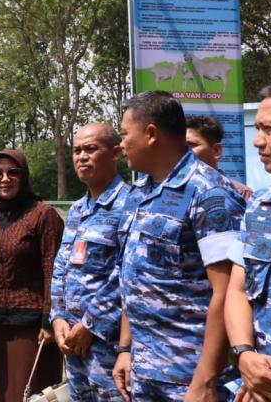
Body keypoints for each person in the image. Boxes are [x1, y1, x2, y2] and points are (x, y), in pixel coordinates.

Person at [111, 91, 245, 401]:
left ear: (151, 134)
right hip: (145, 374)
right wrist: (125, 348)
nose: (121, 145)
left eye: (124, 135)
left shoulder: (209, 193)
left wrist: (206, 380)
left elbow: (226, 293)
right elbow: (136, 277)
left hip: (189, 378)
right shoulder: (140, 192)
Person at [49, 123, 129, 401]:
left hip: (108, 344)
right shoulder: (77, 209)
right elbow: (61, 266)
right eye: (76, 150)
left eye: (91, 149)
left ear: (116, 153)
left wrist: (90, 325)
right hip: (72, 342)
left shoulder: (130, 205)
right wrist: (57, 317)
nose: (82, 156)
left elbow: (127, 274)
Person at [0, 149, 64, 402]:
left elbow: (54, 269)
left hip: (35, 327)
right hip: (1, 326)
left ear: (24, 175)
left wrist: (49, 321)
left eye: (12, 172)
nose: (4, 178)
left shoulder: (43, 215)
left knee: (33, 394)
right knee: (5, 394)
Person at [224, 84, 271, 400]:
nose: (257, 141)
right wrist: (244, 355)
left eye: (268, 130)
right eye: (257, 129)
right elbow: (238, 289)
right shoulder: (259, 208)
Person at [186, 114, 253, 201]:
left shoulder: (241, 194)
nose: (183, 151)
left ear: (216, 150)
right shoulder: (166, 189)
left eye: (191, 145)